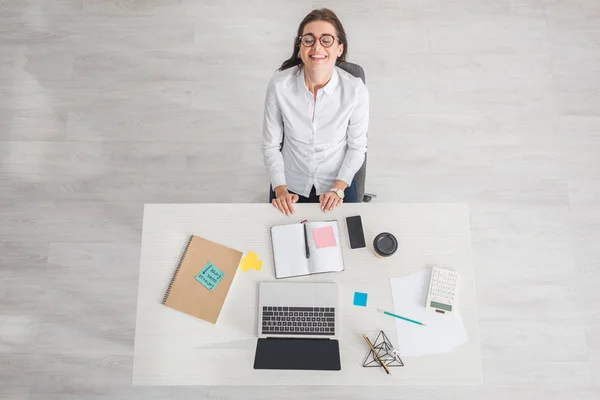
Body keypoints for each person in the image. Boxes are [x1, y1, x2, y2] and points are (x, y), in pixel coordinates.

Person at [262, 8, 369, 216]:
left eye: (326, 40)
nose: (317, 46)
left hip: (337, 185)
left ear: (339, 48)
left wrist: (338, 189)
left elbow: (357, 148)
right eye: (309, 39)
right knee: (280, 241)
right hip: (290, 184)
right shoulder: (279, 85)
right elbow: (270, 145)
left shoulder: (355, 90)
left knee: (344, 245)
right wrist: (280, 188)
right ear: (300, 47)